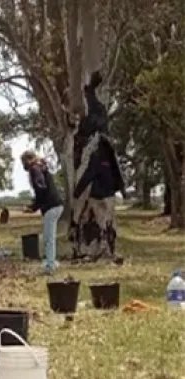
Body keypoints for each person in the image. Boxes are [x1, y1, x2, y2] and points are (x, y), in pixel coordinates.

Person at [70, 71, 126, 260]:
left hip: (100, 193)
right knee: (105, 222)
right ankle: (103, 250)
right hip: (105, 192)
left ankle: (97, 250)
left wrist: (78, 191)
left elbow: (91, 172)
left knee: (99, 221)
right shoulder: (106, 150)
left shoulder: (98, 150)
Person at [21, 150, 64, 274]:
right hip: (56, 205)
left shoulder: (35, 169)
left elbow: (41, 189)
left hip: (51, 206)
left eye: (23, 162)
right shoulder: (41, 167)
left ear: (28, 160)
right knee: (49, 236)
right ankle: (52, 262)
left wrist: (33, 207)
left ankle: (50, 266)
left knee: (48, 238)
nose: (23, 165)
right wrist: (34, 206)